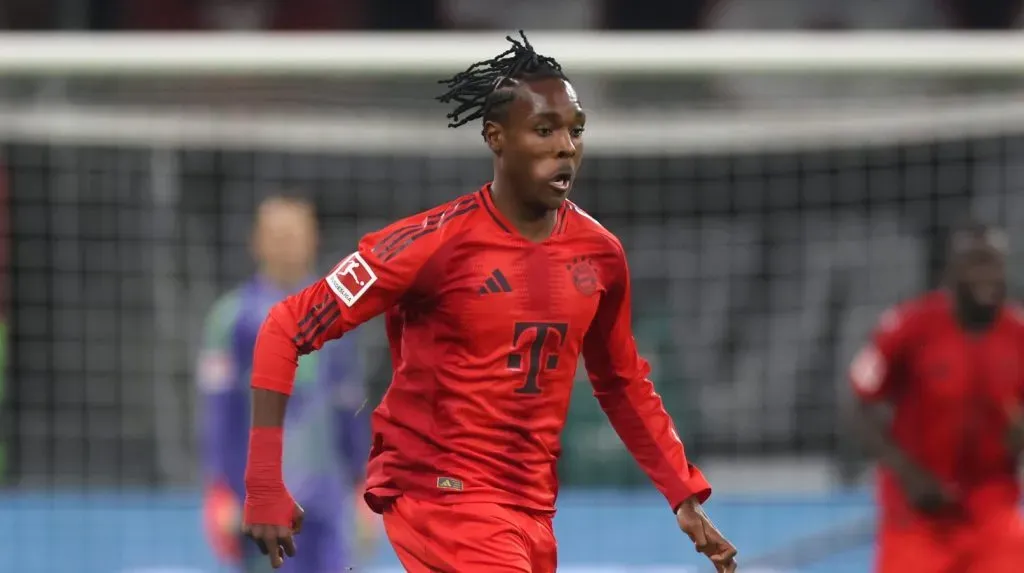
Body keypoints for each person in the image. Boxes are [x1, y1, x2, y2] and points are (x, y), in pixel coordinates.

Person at [241, 32, 738, 573]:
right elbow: (285, 326)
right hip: (440, 494)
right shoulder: (429, 244)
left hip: (530, 507)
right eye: (543, 130)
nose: (565, 147)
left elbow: (621, 382)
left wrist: (682, 495)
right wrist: (264, 481)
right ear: (496, 137)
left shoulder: (600, 255)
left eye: (576, 131)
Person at [198, 195, 376, 573]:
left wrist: (364, 491)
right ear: (256, 242)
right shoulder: (232, 319)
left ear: (314, 239)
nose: (286, 243)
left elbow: (350, 407)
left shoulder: (340, 317)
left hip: (329, 499)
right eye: (276, 234)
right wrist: (221, 493)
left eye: (295, 233)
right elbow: (219, 414)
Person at [850, 221, 1024, 573]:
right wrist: (906, 473)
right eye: (976, 263)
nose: (987, 275)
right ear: (952, 271)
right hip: (916, 517)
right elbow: (859, 403)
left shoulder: (1017, 333)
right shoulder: (909, 327)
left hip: (991, 513)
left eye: (993, 263)